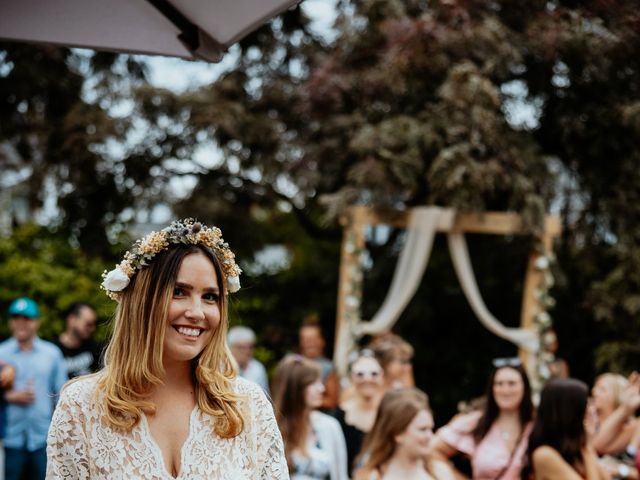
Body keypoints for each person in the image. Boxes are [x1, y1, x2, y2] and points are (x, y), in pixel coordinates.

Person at [46, 219, 288, 478]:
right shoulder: (81, 407)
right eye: (179, 292)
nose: (197, 313)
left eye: (209, 296)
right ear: (142, 301)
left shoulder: (248, 405)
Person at [430, 358, 534, 480]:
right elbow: (431, 451)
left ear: (524, 387)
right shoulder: (476, 422)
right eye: (499, 384)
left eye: (511, 383)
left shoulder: (537, 425)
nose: (505, 390)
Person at [0, 297, 68, 480]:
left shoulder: (52, 353)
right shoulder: (1, 352)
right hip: (11, 437)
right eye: (16, 318)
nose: (21, 323)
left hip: (43, 439)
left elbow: (62, 396)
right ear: (10, 322)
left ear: (37, 322)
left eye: (27, 318)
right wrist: (8, 397)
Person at [273, 354, 349, 480]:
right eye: (313, 383)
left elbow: (340, 475)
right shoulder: (273, 427)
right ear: (295, 388)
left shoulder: (329, 426)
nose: (322, 388)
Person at [354, 388, 455, 480]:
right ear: (398, 434)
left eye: (430, 429)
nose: (430, 436)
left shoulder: (440, 473)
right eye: (422, 429)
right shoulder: (372, 476)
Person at [521, 378, 609, 480]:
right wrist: (588, 446)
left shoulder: (577, 449)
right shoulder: (544, 454)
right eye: (585, 404)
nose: (591, 409)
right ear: (570, 413)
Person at [333, 349, 385, 475]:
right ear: (352, 378)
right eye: (360, 374)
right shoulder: (338, 417)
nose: (367, 379)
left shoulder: (391, 414)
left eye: (374, 374)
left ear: (382, 377)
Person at [53, 302, 102, 378]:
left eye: (94, 324)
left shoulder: (95, 348)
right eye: (88, 324)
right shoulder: (53, 350)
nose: (92, 329)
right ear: (72, 319)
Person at [299, 319, 340, 410]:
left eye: (313, 339)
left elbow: (332, 401)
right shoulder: (294, 364)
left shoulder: (328, 367)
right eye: (305, 339)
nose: (309, 343)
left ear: (322, 341)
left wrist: (304, 400)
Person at [227, 325, 270, 394]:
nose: (247, 351)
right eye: (241, 347)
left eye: (250, 347)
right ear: (230, 348)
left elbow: (265, 395)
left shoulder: (258, 368)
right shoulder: (221, 366)